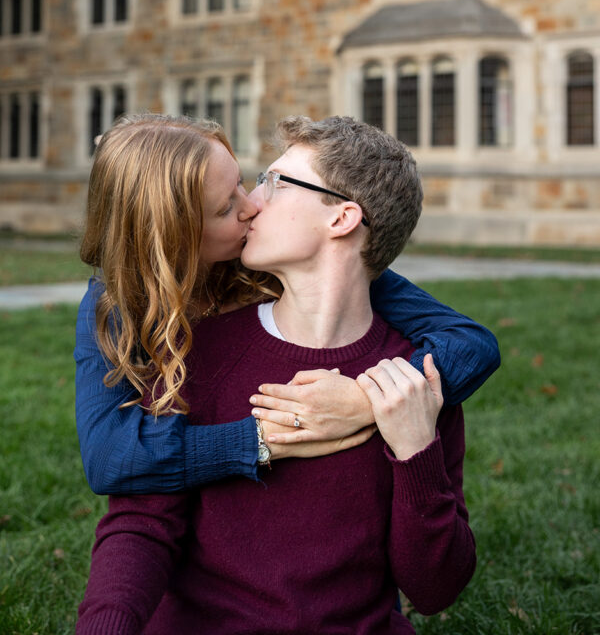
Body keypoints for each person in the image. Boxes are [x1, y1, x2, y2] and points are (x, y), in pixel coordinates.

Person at [76, 116, 477, 634]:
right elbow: (139, 514)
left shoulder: (414, 382)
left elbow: (435, 589)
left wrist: (412, 445)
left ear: (341, 219)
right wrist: (259, 440)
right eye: (232, 200)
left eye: (273, 182)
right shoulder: (188, 349)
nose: (253, 203)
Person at [74, 114, 499, 495]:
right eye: (226, 207)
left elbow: (471, 343)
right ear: (173, 233)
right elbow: (110, 459)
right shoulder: (116, 306)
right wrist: (268, 438)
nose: (252, 205)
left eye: (244, 182)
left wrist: (364, 403)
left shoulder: (272, 267)